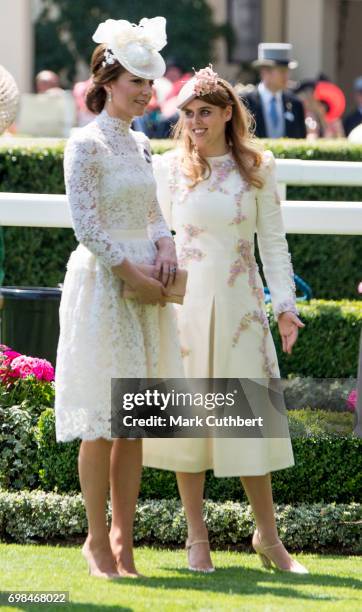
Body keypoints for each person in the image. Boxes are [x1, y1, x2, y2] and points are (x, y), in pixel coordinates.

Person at [143, 65, 308, 574]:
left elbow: (273, 244)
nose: (194, 121)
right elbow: (156, 236)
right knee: (185, 425)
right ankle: (197, 538)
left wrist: (284, 306)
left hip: (239, 308)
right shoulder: (169, 167)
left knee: (247, 425)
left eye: (205, 112)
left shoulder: (259, 165)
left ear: (227, 114)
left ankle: (269, 537)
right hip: (185, 309)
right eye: (188, 113)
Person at [55, 16, 183, 579]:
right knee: (102, 423)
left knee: (134, 421)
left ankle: (124, 541)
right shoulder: (84, 144)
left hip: (146, 287)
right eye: (138, 81)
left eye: (151, 84)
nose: (147, 93)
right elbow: (86, 224)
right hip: (105, 287)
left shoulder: (141, 142)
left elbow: (154, 212)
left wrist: (166, 250)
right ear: (109, 81)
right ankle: (95, 540)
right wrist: (130, 271)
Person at [241, 43, 306, 139]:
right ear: (265, 72)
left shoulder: (296, 104)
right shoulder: (245, 102)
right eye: (282, 71)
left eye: (287, 71)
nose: (287, 76)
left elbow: (301, 140)